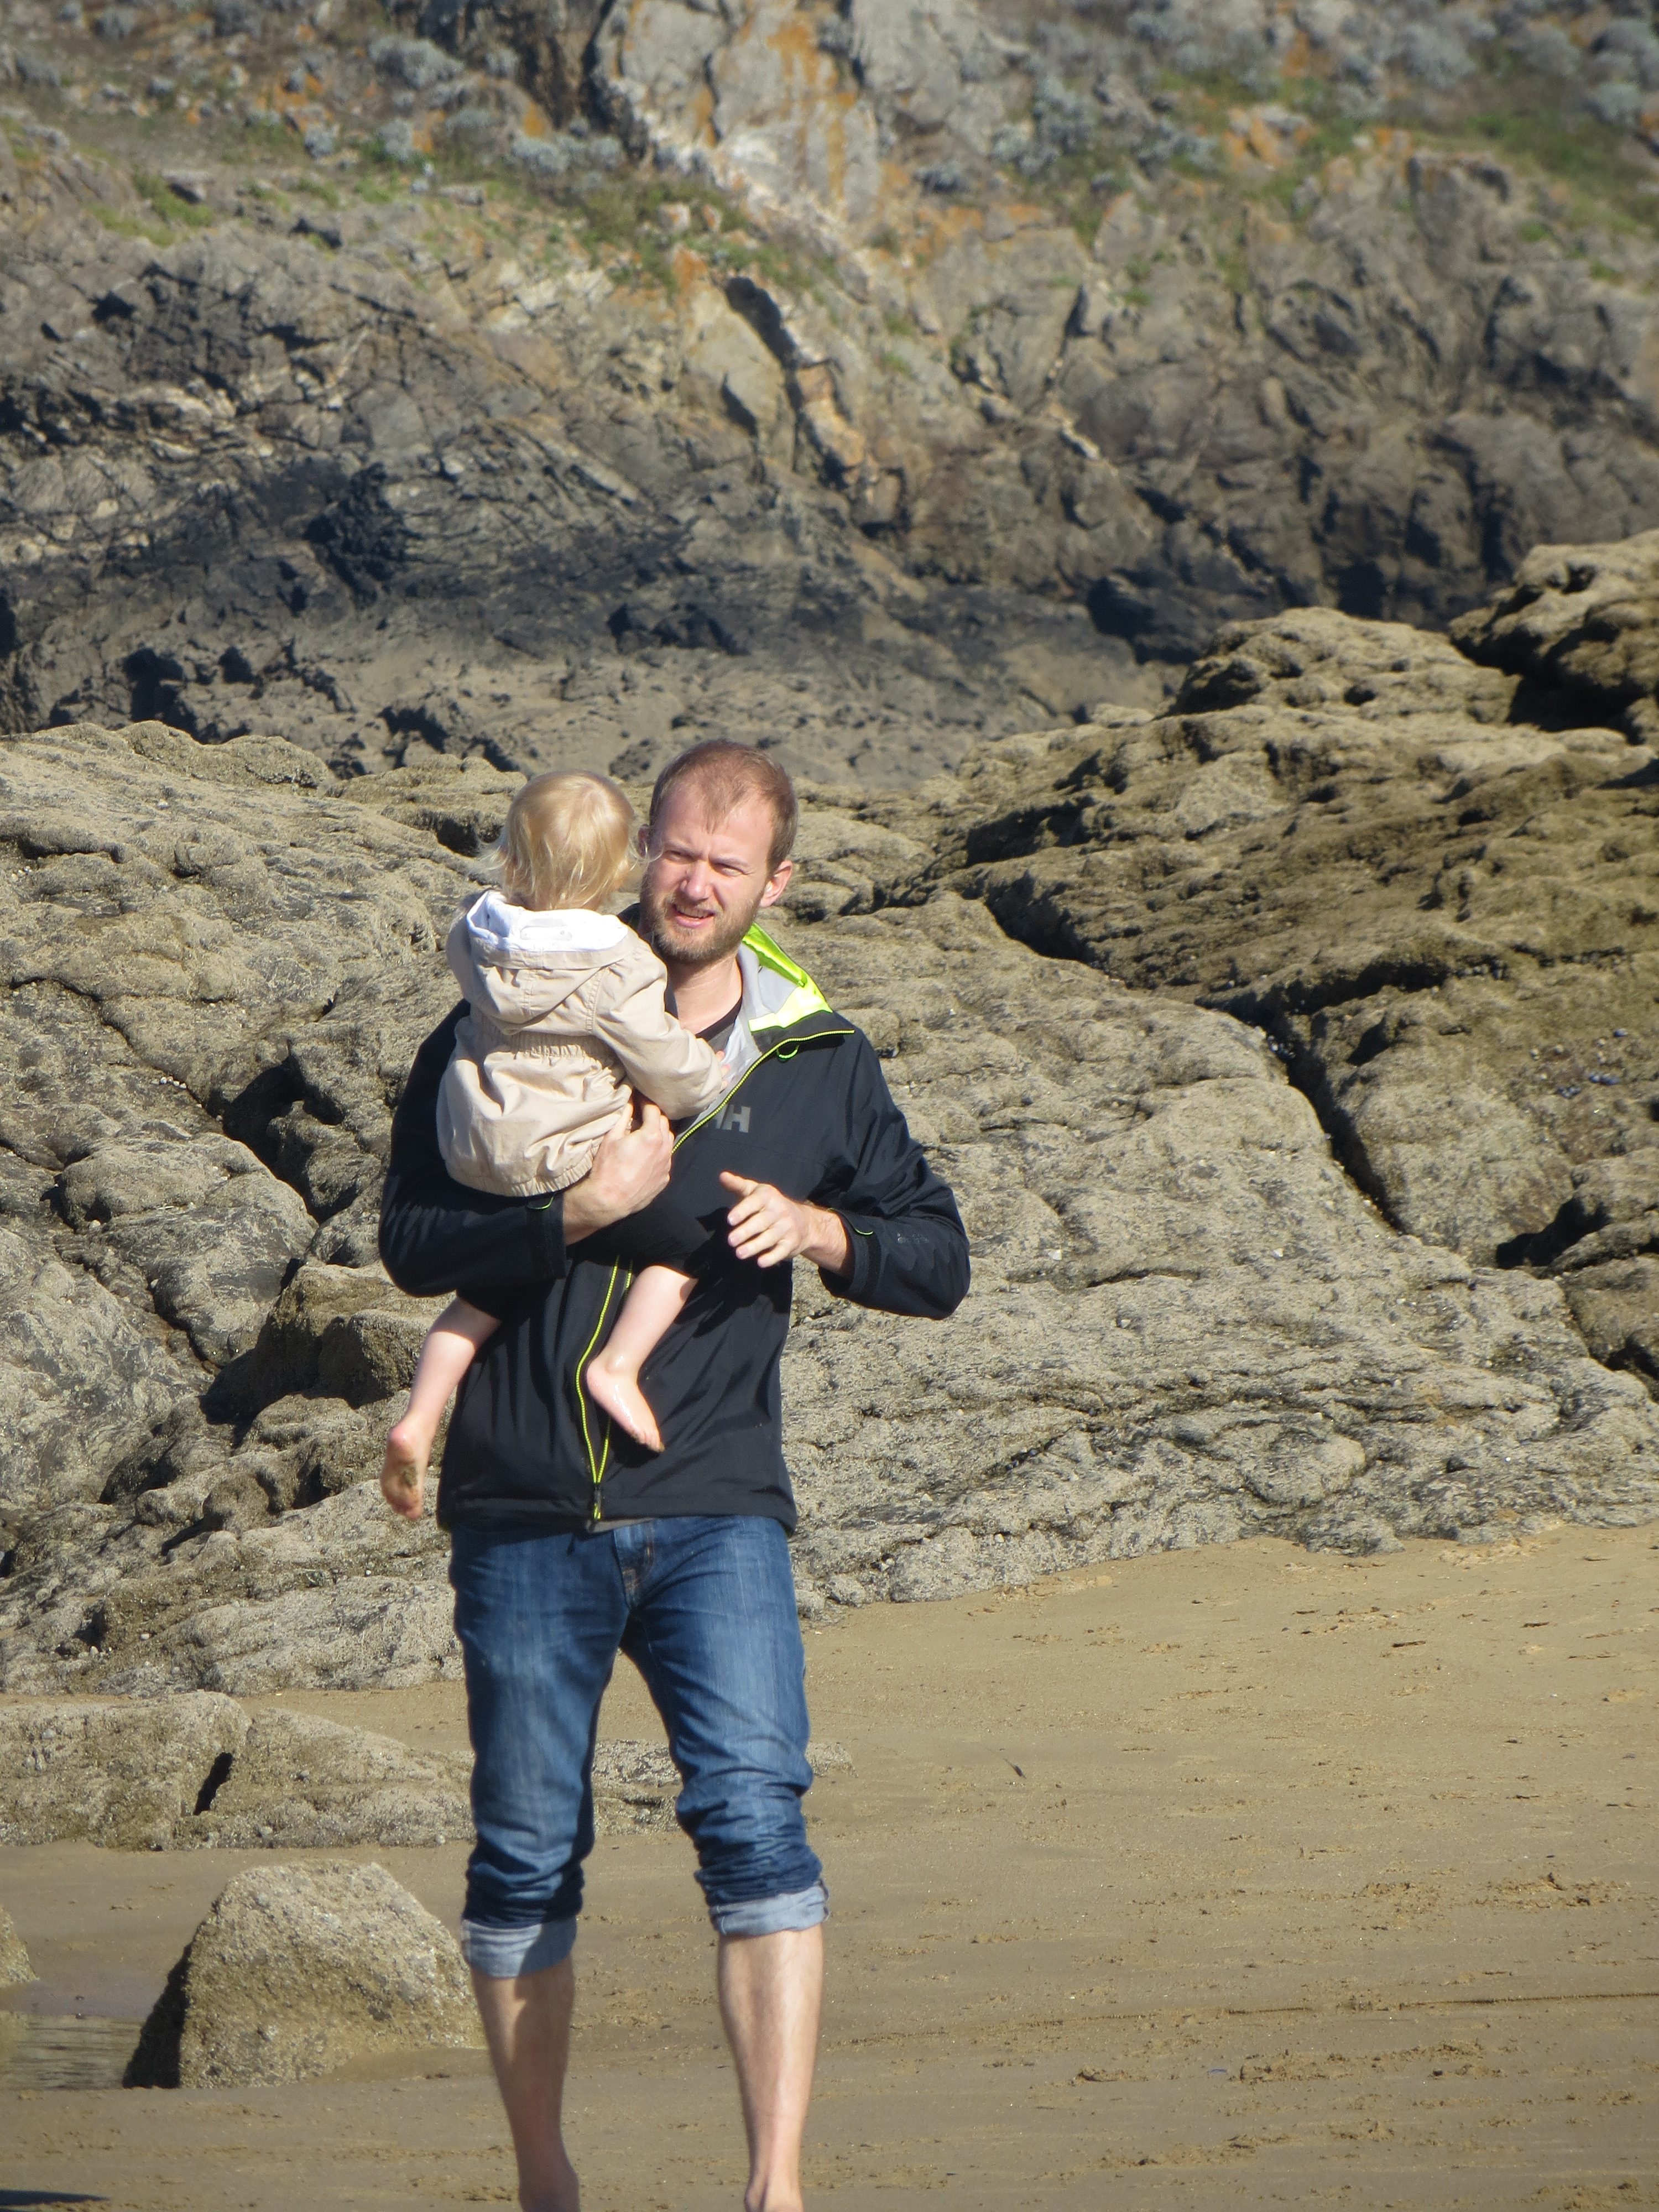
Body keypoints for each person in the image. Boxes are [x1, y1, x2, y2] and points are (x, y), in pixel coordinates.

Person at [377, 738, 969, 2212]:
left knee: (758, 1824)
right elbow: (412, 1240)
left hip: (714, 1503)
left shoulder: (817, 1056)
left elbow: (937, 1256)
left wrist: (824, 1234)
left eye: (727, 863)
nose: (694, 882)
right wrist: (579, 1210)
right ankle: (545, 2184)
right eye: (677, 851)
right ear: (642, 848)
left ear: (779, 882)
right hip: (522, 1504)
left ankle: (777, 2189)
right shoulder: (512, 1003)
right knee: (525, 1855)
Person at [381, 769, 729, 1489]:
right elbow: (663, 1061)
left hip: (472, 1149)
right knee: (691, 1252)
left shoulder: (477, 937)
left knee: (484, 1293)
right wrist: (710, 1076)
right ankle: (617, 1366)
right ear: (623, 869)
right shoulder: (616, 965)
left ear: (510, 858)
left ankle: (418, 1417)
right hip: (565, 1159)